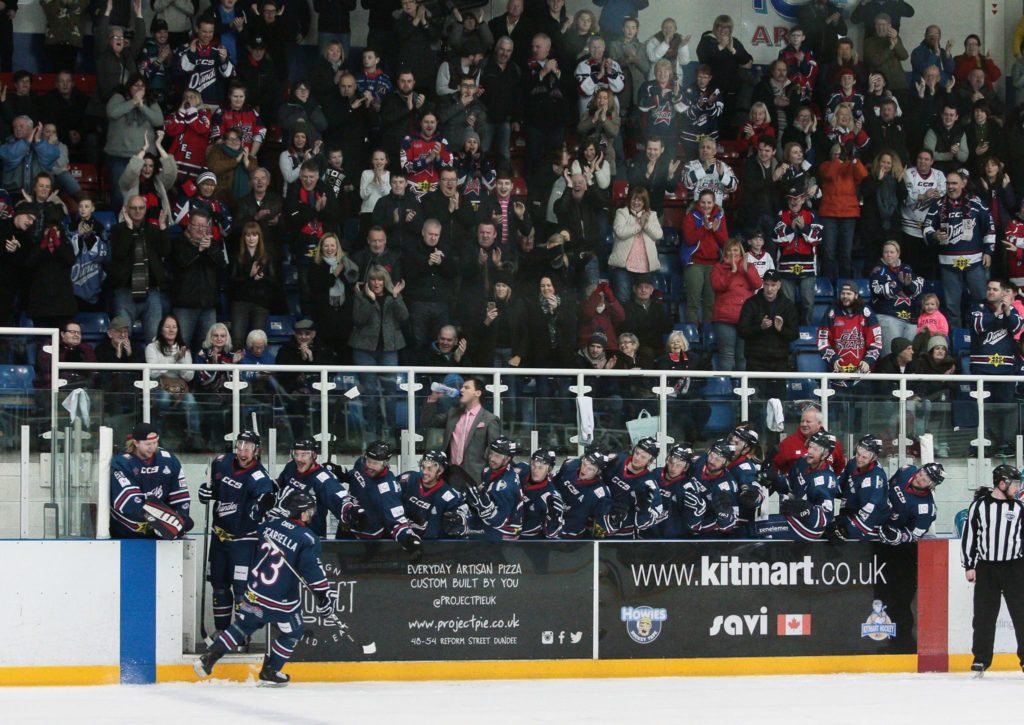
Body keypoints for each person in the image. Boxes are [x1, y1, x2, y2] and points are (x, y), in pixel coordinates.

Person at [194, 490, 329, 687]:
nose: (311, 514)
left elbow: (259, 523)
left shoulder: (269, 526)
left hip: (255, 592)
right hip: (281, 601)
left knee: (241, 626)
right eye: (309, 511)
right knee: (293, 632)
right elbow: (313, 572)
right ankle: (270, 670)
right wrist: (324, 594)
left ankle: (209, 657)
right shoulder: (307, 538)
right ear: (301, 513)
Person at [199, 430, 275, 633]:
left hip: (244, 541)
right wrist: (206, 493)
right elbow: (214, 488)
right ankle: (222, 631)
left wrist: (265, 502)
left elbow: (266, 500)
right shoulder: (221, 462)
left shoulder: (259, 477)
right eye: (240, 446)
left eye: (248, 448)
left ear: (256, 451)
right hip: (219, 537)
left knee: (242, 590)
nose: (243, 452)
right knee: (219, 586)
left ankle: (240, 635)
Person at [961, 464, 1024, 678]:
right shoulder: (979, 506)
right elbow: (969, 536)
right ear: (1002, 483)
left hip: (1015, 568)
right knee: (984, 617)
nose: (1017, 487)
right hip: (987, 567)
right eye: (1014, 483)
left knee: (1021, 614)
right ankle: (981, 659)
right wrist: (969, 565)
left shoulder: (1019, 508)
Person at [923, 170, 995, 328]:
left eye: (954, 183)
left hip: (975, 262)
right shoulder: (938, 204)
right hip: (948, 265)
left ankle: (982, 333)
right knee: (952, 306)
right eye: (948, 183)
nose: (950, 187)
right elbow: (926, 227)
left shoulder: (976, 203)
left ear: (963, 184)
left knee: (982, 301)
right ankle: (956, 341)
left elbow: (990, 228)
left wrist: (988, 252)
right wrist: (934, 235)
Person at [109, 422, 192, 539]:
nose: (153, 447)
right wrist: (161, 521)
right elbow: (130, 500)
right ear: (136, 442)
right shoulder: (121, 463)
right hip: (127, 535)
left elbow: (180, 495)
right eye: (148, 444)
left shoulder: (168, 460)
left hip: (161, 536)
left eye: (155, 442)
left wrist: (180, 519)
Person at [970, 280, 1024, 455]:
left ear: (1003, 293)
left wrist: (1007, 311)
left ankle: (1004, 445)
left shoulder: (1011, 310)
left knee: (1005, 409)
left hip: (1005, 372)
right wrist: (998, 313)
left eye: (995, 289)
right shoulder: (978, 307)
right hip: (981, 372)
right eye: (989, 289)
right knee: (981, 410)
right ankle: (981, 444)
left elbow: (1017, 328)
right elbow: (978, 326)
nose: (991, 292)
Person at [757, 430, 839, 540]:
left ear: (825, 454)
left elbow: (825, 518)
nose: (809, 451)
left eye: (815, 449)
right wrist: (775, 479)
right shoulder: (802, 462)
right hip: (793, 517)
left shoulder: (826, 479)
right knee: (755, 525)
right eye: (810, 446)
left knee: (757, 528)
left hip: (808, 528)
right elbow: (790, 485)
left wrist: (808, 511)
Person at [342, 440, 421, 552]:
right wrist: (341, 474)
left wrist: (409, 540)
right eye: (368, 461)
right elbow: (354, 476)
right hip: (346, 529)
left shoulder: (388, 489)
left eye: (375, 463)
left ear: (385, 463)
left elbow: (397, 521)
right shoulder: (361, 463)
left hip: (368, 540)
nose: (369, 466)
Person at [424, 377, 501, 482]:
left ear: (477, 393)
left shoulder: (489, 419)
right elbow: (428, 421)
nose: (461, 390)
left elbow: (495, 450)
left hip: (476, 476)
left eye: (466, 387)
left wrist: (485, 472)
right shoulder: (453, 413)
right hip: (450, 474)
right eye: (462, 387)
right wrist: (433, 398)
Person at [737, 269, 798, 390]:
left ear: (779, 285)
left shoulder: (788, 305)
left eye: (773, 285)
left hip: (779, 362)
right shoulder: (751, 303)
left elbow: (794, 334)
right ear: (763, 284)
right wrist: (760, 327)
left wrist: (781, 329)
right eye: (767, 284)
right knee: (756, 405)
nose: (769, 289)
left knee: (778, 404)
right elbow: (741, 331)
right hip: (755, 362)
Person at [710, 238, 762, 371]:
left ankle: (741, 390)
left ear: (741, 252)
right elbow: (718, 285)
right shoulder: (718, 267)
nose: (733, 253)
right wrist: (732, 272)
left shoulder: (749, 267)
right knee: (727, 355)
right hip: (724, 318)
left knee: (742, 356)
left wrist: (745, 270)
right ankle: (725, 389)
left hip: (745, 318)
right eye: (729, 250)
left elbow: (757, 284)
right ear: (725, 253)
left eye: (735, 250)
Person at [774, 185, 822, 325]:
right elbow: (777, 238)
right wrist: (791, 227)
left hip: (807, 267)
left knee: (808, 303)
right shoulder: (781, 215)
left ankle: (806, 331)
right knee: (787, 303)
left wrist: (803, 227)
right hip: (785, 267)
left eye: (797, 198)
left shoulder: (811, 214)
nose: (794, 202)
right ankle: (790, 330)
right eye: (790, 199)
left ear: (803, 199)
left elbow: (817, 239)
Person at [681, 190, 729, 326]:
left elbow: (725, 242)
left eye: (709, 202)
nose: (706, 205)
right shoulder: (691, 216)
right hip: (694, 263)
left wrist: (715, 230)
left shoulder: (719, 217)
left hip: (713, 264)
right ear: (698, 202)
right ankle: (693, 335)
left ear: (714, 203)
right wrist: (704, 228)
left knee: (711, 303)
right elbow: (689, 239)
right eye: (703, 202)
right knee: (693, 302)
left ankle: (709, 336)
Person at [830, 435, 890, 542]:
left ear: (874, 458)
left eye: (864, 457)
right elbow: (839, 487)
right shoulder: (854, 462)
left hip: (870, 525)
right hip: (849, 514)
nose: (859, 459)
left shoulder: (874, 481)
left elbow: (868, 518)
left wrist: (846, 531)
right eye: (858, 454)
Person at [609, 186, 663, 305]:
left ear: (645, 202)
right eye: (634, 199)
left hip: (644, 266)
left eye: (640, 200)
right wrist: (639, 226)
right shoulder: (621, 212)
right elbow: (620, 232)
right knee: (623, 300)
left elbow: (659, 234)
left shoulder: (652, 215)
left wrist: (646, 224)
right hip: (623, 266)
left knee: (643, 301)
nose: (636, 202)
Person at [398, 450, 468, 540]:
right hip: (402, 539)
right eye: (423, 467)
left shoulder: (449, 496)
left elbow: (459, 525)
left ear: (440, 471)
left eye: (429, 469)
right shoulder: (408, 479)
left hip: (432, 546)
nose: (424, 472)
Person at [602, 438, 663, 539]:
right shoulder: (617, 460)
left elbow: (646, 523)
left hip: (622, 533)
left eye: (643, 457)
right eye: (637, 452)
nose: (637, 458)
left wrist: (644, 509)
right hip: (596, 521)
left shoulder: (649, 485)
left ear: (650, 461)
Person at [464, 437, 523, 540]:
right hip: (493, 524)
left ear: (508, 459)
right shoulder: (492, 471)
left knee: (465, 535)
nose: (491, 458)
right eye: (491, 453)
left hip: (505, 532)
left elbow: (499, 522)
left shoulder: (505, 487)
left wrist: (484, 507)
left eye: (497, 456)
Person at [683, 439, 740, 537]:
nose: (712, 461)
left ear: (727, 463)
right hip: (680, 514)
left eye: (718, 459)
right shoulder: (700, 460)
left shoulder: (726, 487)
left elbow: (728, 525)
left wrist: (724, 515)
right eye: (712, 455)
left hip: (702, 531)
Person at [879, 461, 943, 545]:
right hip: (871, 517)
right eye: (920, 474)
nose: (918, 479)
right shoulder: (907, 470)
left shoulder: (926, 510)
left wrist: (898, 536)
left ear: (931, 485)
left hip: (886, 535)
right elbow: (886, 486)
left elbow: (914, 536)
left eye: (923, 480)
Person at [773, 405, 847, 474]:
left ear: (819, 423)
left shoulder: (833, 442)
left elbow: (839, 469)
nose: (804, 424)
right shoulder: (788, 443)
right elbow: (776, 467)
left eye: (808, 422)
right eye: (802, 421)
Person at [643, 443, 694, 539]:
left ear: (686, 467)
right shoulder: (655, 474)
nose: (673, 468)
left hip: (675, 541)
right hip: (648, 536)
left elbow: (691, 519)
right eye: (671, 462)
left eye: (679, 465)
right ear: (667, 459)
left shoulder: (688, 487)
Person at [515, 448, 564, 539]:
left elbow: (552, 534)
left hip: (529, 539)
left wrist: (553, 517)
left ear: (549, 469)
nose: (535, 470)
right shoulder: (521, 469)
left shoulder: (551, 496)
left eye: (541, 467)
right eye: (533, 465)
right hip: (507, 530)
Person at [33, 320, 96, 389]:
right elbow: (46, 369)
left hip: (80, 383)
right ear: (63, 334)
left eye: (79, 333)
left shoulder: (86, 348)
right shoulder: (51, 345)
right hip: (53, 385)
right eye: (72, 332)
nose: (76, 335)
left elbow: (92, 370)